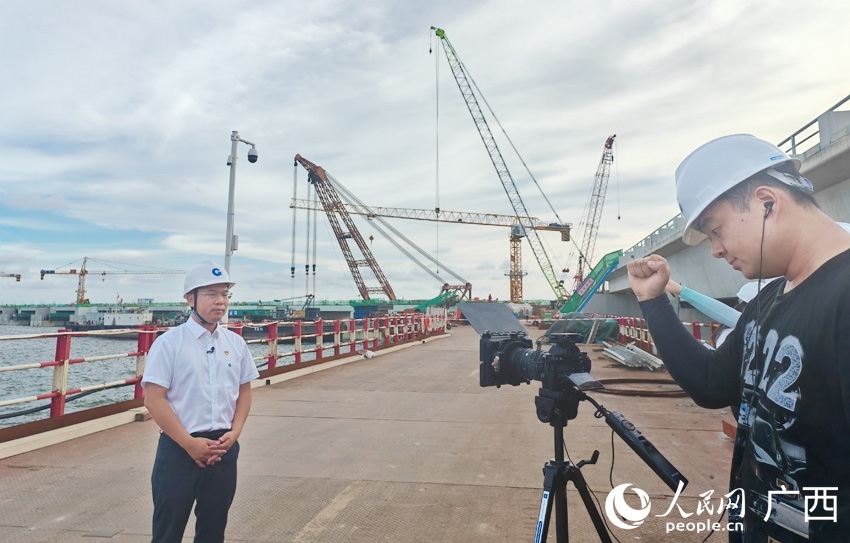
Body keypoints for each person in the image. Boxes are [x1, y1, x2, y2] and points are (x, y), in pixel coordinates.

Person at [626, 134, 850, 542]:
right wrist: (653, 301)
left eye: (716, 230)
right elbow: (712, 384)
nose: (715, 250)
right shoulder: (770, 298)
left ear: (767, 202)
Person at [142, 260, 260, 543]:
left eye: (224, 294)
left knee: (213, 530)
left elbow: (244, 391)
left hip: (223, 448)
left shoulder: (235, 343)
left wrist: (235, 433)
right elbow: (154, 399)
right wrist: (189, 444)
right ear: (190, 299)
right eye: (210, 294)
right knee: (167, 533)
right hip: (179, 449)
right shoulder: (169, 343)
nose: (220, 301)